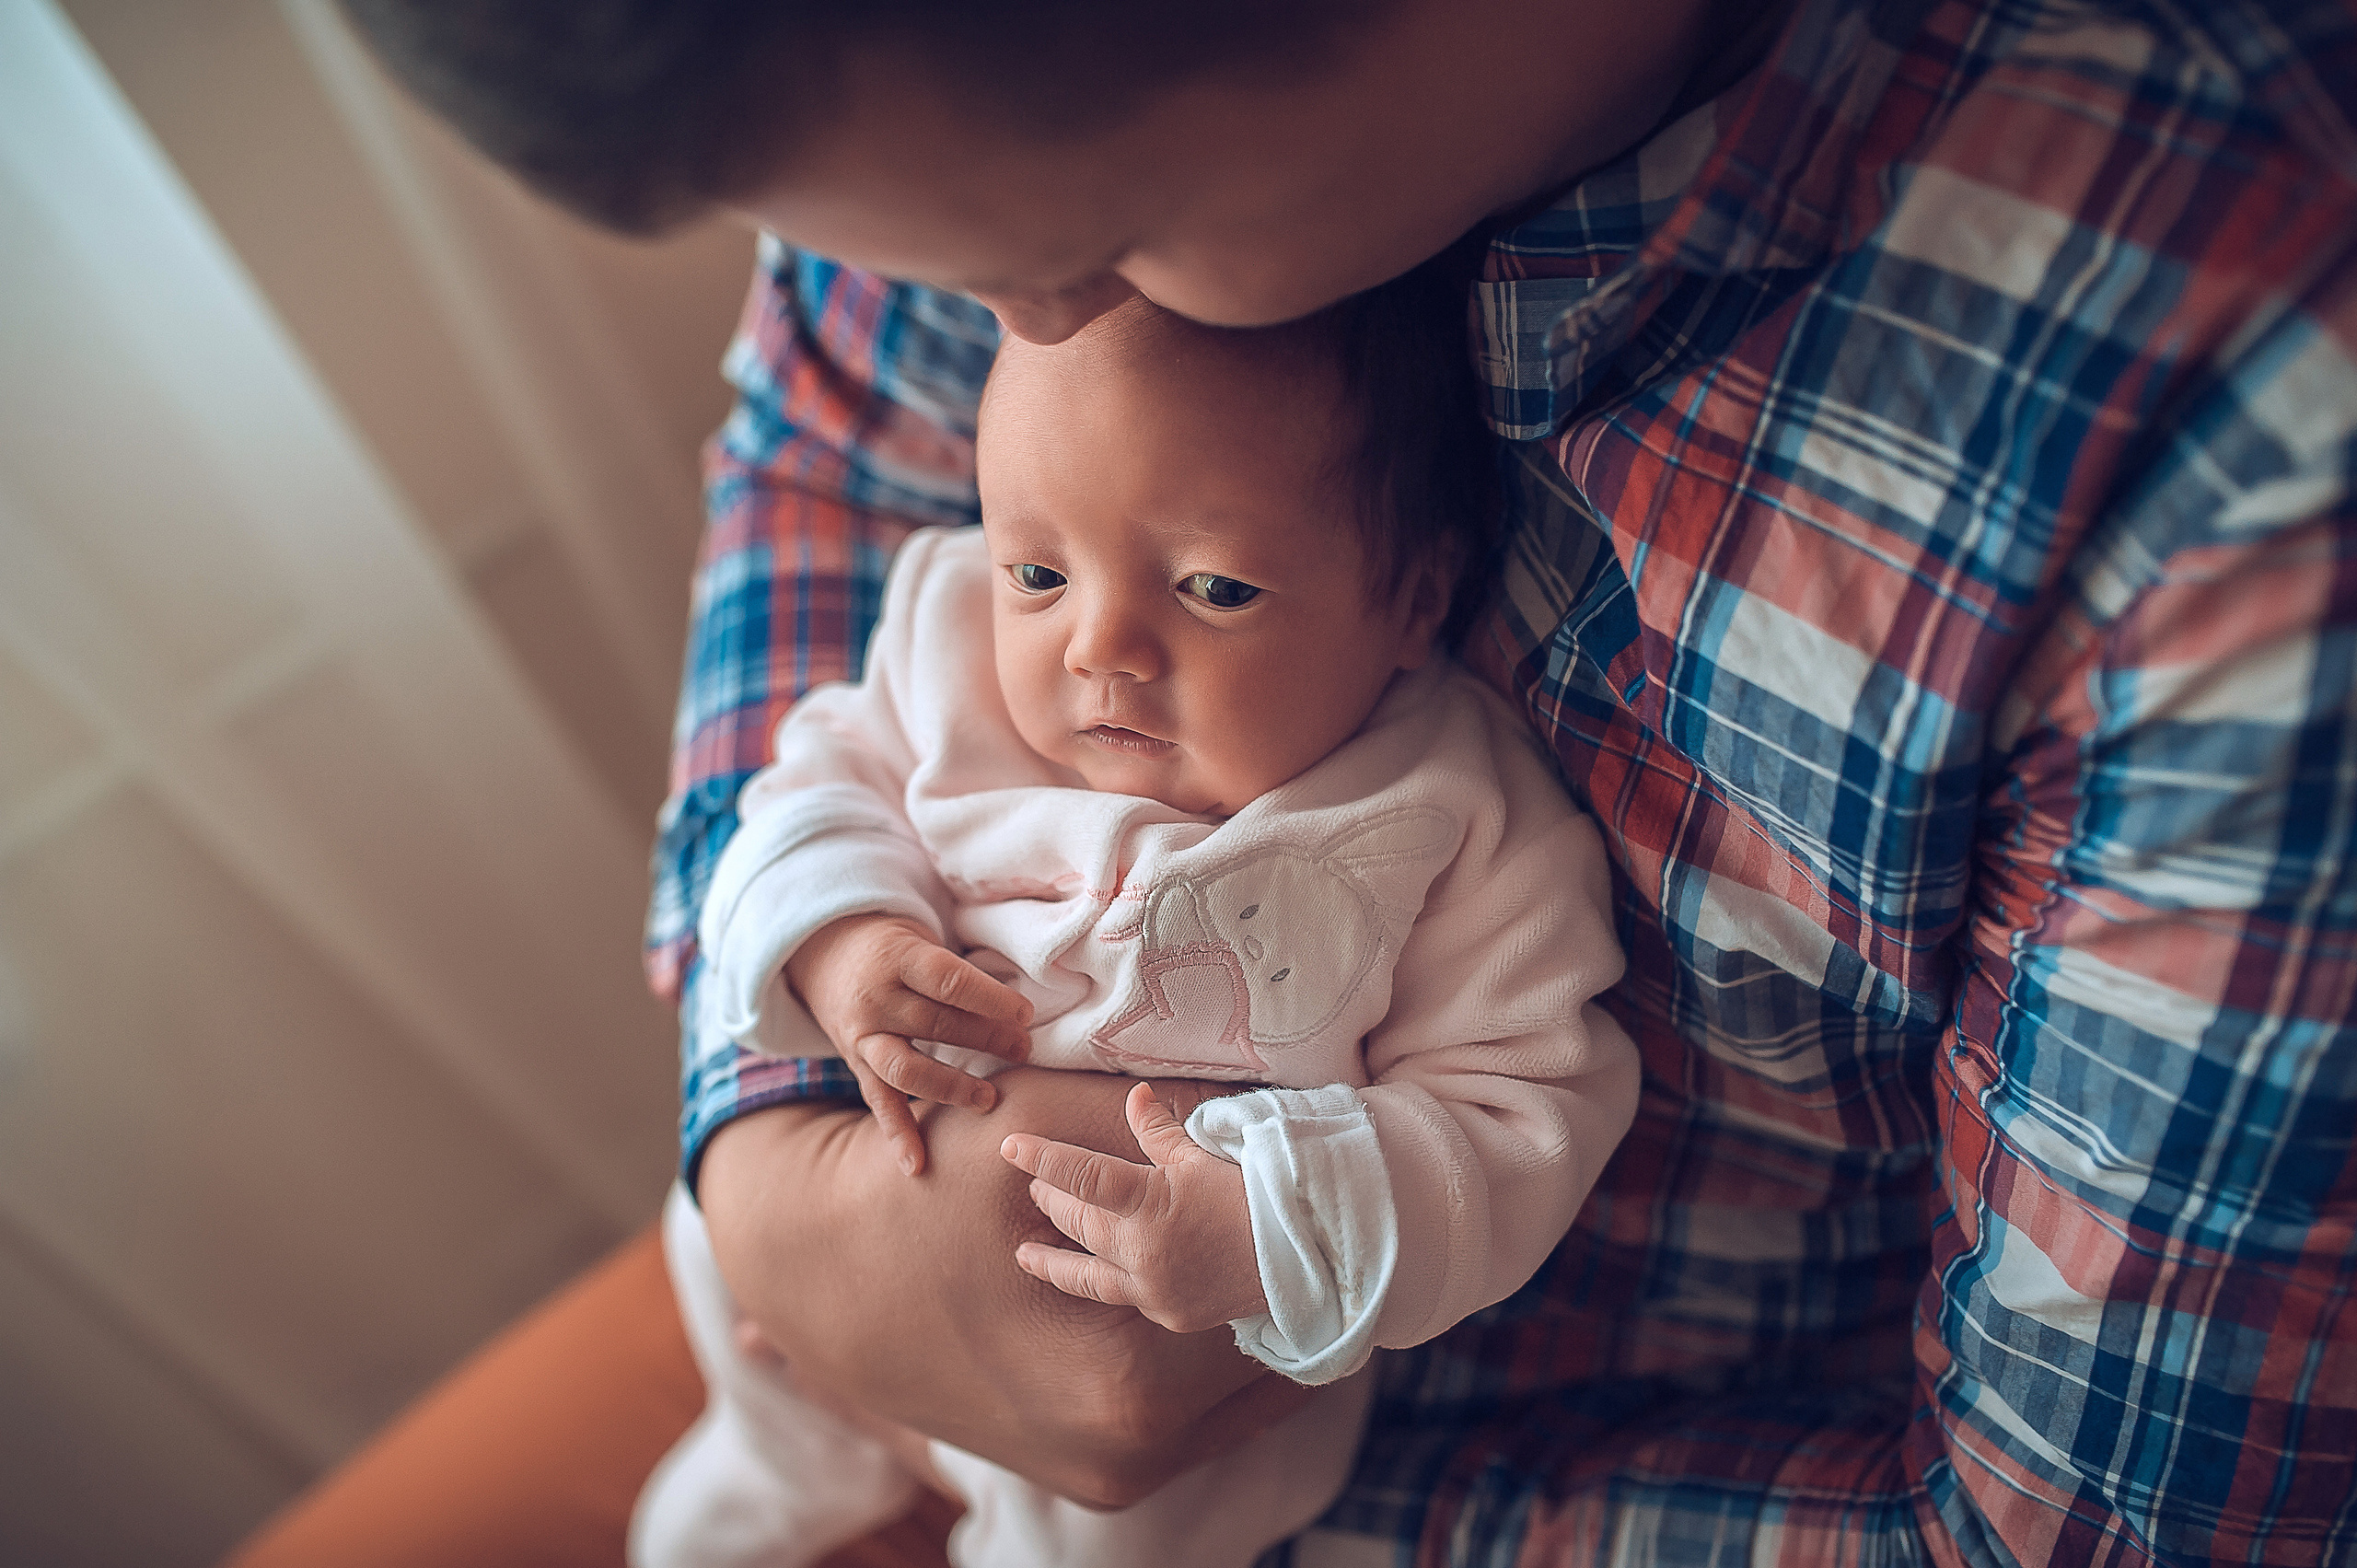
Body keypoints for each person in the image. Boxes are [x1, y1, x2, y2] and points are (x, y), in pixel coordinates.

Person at [343, 0, 2357, 1561]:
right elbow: (825, 484)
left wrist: (1235, 1432)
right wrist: (771, 1141)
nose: (1019, 346)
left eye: (1084, 245)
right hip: (838, 1260)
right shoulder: (924, 93)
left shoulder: (2243, 417)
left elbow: (2058, 1536)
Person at [637, 283, 1634, 1568]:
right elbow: (807, 787)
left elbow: (1524, 1110)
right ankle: (787, 1451)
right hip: (865, 1201)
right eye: (1039, 573)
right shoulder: (945, 639)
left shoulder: (1451, 812)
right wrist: (840, 940)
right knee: (702, 1231)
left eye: (1215, 588)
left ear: (1415, 598)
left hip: (1171, 1351)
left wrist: (1276, 1225)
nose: (1099, 645)